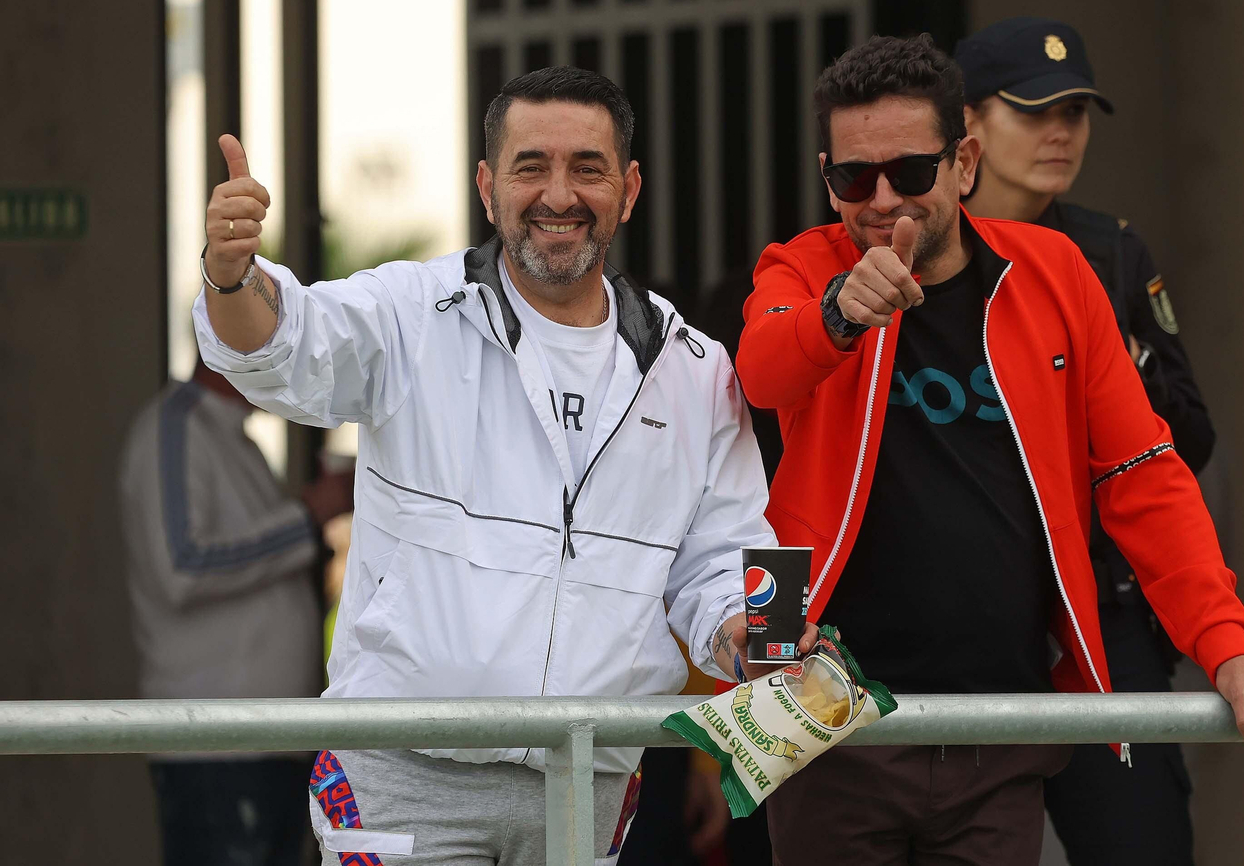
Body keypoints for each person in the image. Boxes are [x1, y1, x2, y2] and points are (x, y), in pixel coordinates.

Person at [193, 66, 813, 865]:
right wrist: (230, 275)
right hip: (402, 774)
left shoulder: (695, 367)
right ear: (488, 188)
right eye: (531, 167)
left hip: (586, 779)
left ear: (628, 189)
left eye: (587, 168)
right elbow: (282, 344)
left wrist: (777, 643)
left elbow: (730, 560)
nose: (559, 194)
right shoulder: (411, 313)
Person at [737, 33, 1244, 865]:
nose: (878, 199)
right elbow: (761, 371)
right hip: (824, 713)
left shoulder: (1054, 270)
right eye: (850, 177)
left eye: (909, 172)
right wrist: (839, 311)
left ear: (965, 162)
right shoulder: (803, 265)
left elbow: (1144, 475)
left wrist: (1228, 647)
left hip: (1003, 719)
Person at [956, 15, 1214, 866]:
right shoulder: (909, 252)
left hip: (1103, 607)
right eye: (1032, 110)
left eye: (1076, 110)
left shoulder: (1110, 252)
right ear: (967, 124)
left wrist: (1100, 384)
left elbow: (1187, 437)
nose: (1060, 131)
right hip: (966, 622)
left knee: (1141, 842)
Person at [119, 356, 354, 866]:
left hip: (267, 743)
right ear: (224, 344)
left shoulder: (234, 440)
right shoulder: (176, 426)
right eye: (270, 343)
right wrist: (310, 515)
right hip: (215, 748)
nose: (289, 359)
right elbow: (183, 566)